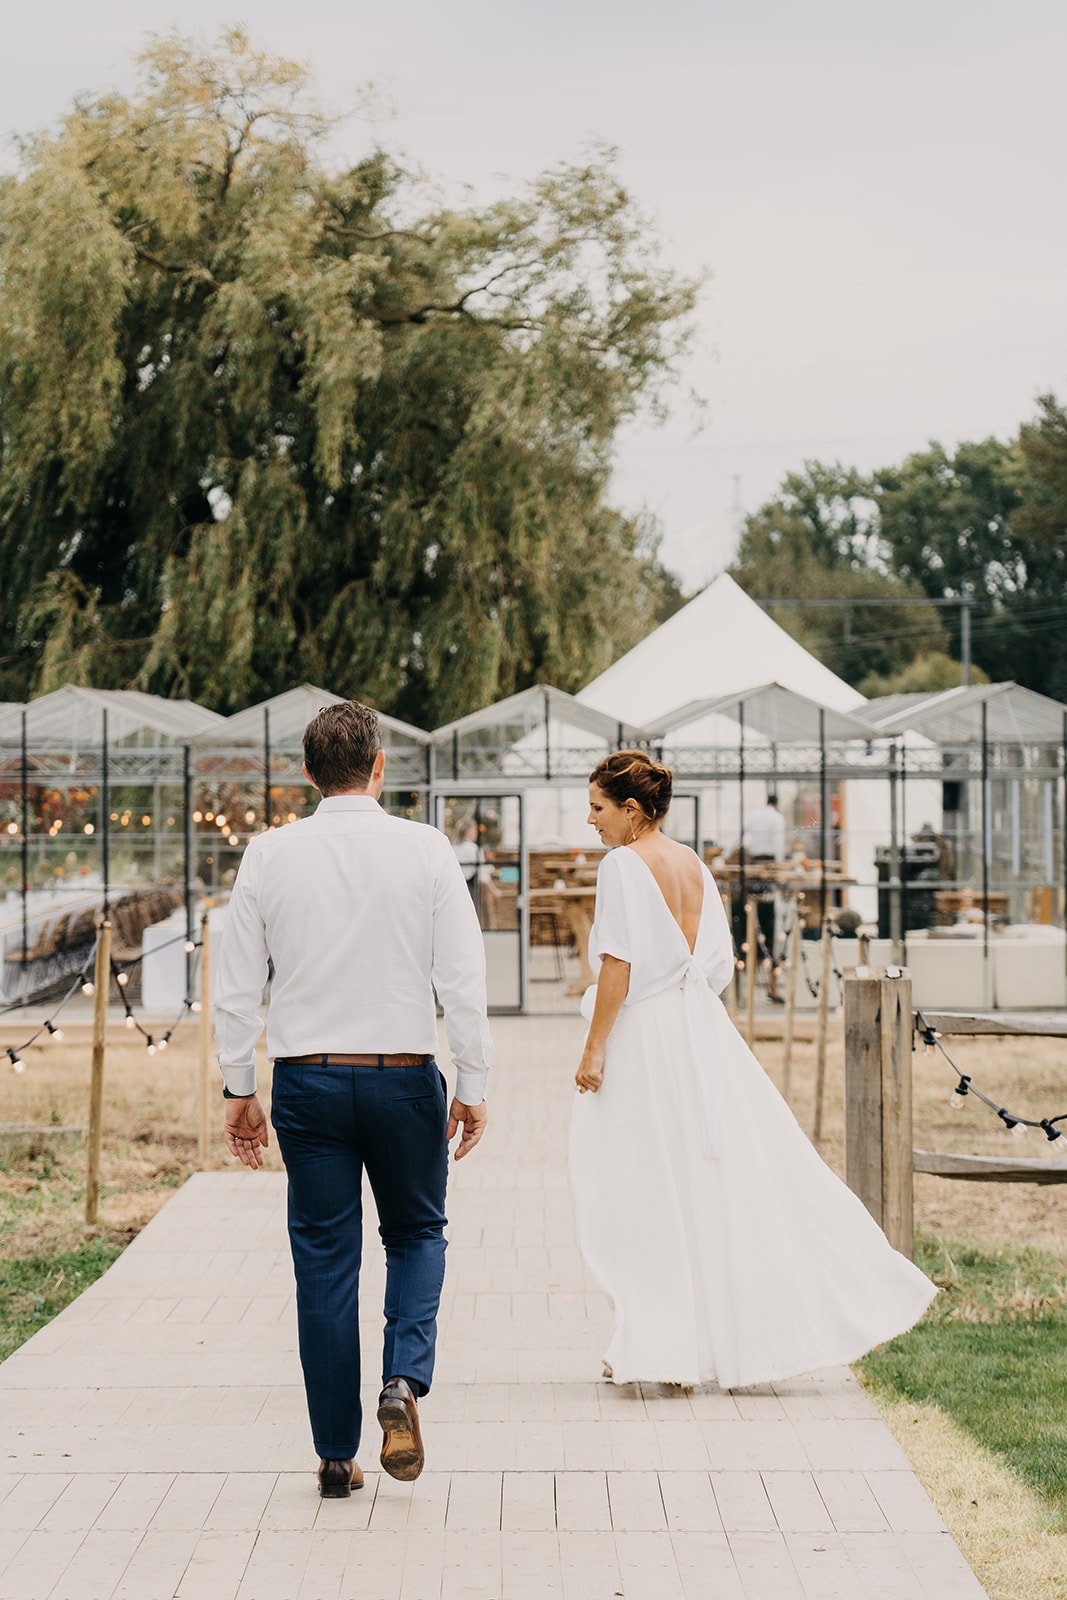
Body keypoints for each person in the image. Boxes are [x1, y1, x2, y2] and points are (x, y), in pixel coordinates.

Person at [569, 750, 936, 1389]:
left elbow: (617, 966)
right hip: (699, 1033)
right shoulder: (694, 867)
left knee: (643, 1183)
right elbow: (716, 965)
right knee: (700, 1179)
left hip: (648, 1038)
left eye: (598, 808)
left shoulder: (623, 865)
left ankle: (661, 1343)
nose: (590, 821)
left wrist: (595, 1046)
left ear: (631, 811)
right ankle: (674, 1341)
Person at [214, 700, 491, 1498]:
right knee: (416, 1232)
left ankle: (336, 1454)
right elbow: (462, 984)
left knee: (325, 1261)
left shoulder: (269, 854)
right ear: (379, 766)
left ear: (307, 774)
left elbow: (237, 989)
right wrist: (471, 1084)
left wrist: (240, 1089)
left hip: (308, 1081)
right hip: (405, 1075)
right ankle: (403, 1380)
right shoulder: (426, 849)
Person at [727, 792, 787, 1001]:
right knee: (769, 931)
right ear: (776, 803)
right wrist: (778, 867)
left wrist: (726, 855)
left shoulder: (754, 816)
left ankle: (746, 992)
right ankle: (770, 988)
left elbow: (738, 836)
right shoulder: (777, 818)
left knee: (749, 930)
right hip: (768, 867)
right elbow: (778, 844)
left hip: (753, 866)